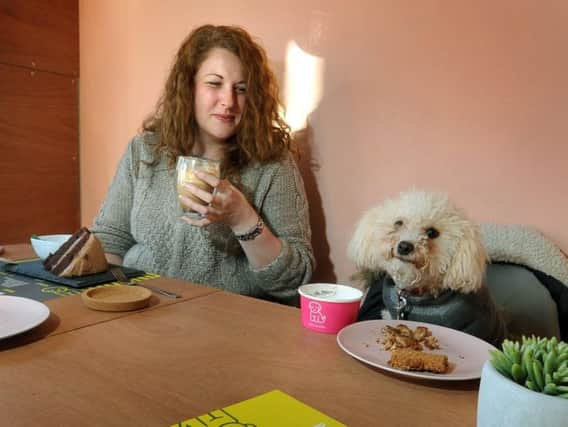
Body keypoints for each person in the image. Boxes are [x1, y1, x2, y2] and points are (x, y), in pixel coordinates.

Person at [92, 25, 315, 305]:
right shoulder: (144, 151)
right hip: (144, 311)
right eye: (214, 83)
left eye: (241, 89)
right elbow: (110, 239)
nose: (229, 101)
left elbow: (295, 280)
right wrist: (115, 301)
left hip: (230, 323)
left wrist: (242, 218)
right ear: (189, 86)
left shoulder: (273, 163)